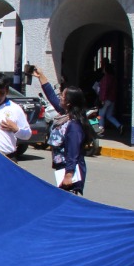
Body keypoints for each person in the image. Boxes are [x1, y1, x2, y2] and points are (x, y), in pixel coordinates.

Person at [32, 66, 89, 194]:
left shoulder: (73, 125)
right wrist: (41, 76)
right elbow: (51, 97)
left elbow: (73, 152)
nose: (60, 97)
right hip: (62, 168)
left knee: (70, 202)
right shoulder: (65, 114)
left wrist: (69, 174)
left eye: (62, 96)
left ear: (68, 102)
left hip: (71, 171)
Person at [0, 72, 31, 158]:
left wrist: (16, 129)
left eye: (1, 93)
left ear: (7, 91)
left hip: (7, 157)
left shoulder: (15, 109)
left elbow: (27, 134)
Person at [95, 62, 123, 134]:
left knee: (101, 115)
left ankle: (101, 130)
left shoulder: (106, 78)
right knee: (109, 115)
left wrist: (102, 99)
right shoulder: (113, 78)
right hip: (112, 99)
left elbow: (104, 89)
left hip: (105, 99)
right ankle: (119, 125)